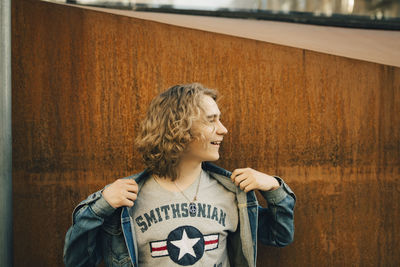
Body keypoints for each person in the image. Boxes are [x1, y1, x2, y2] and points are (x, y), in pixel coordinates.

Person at [63, 83, 296, 267]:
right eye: (211, 120)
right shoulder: (124, 199)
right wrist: (100, 207)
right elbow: (77, 261)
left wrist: (274, 188)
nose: (223, 129)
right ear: (178, 127)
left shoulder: (233, 193)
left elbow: (280, 237)